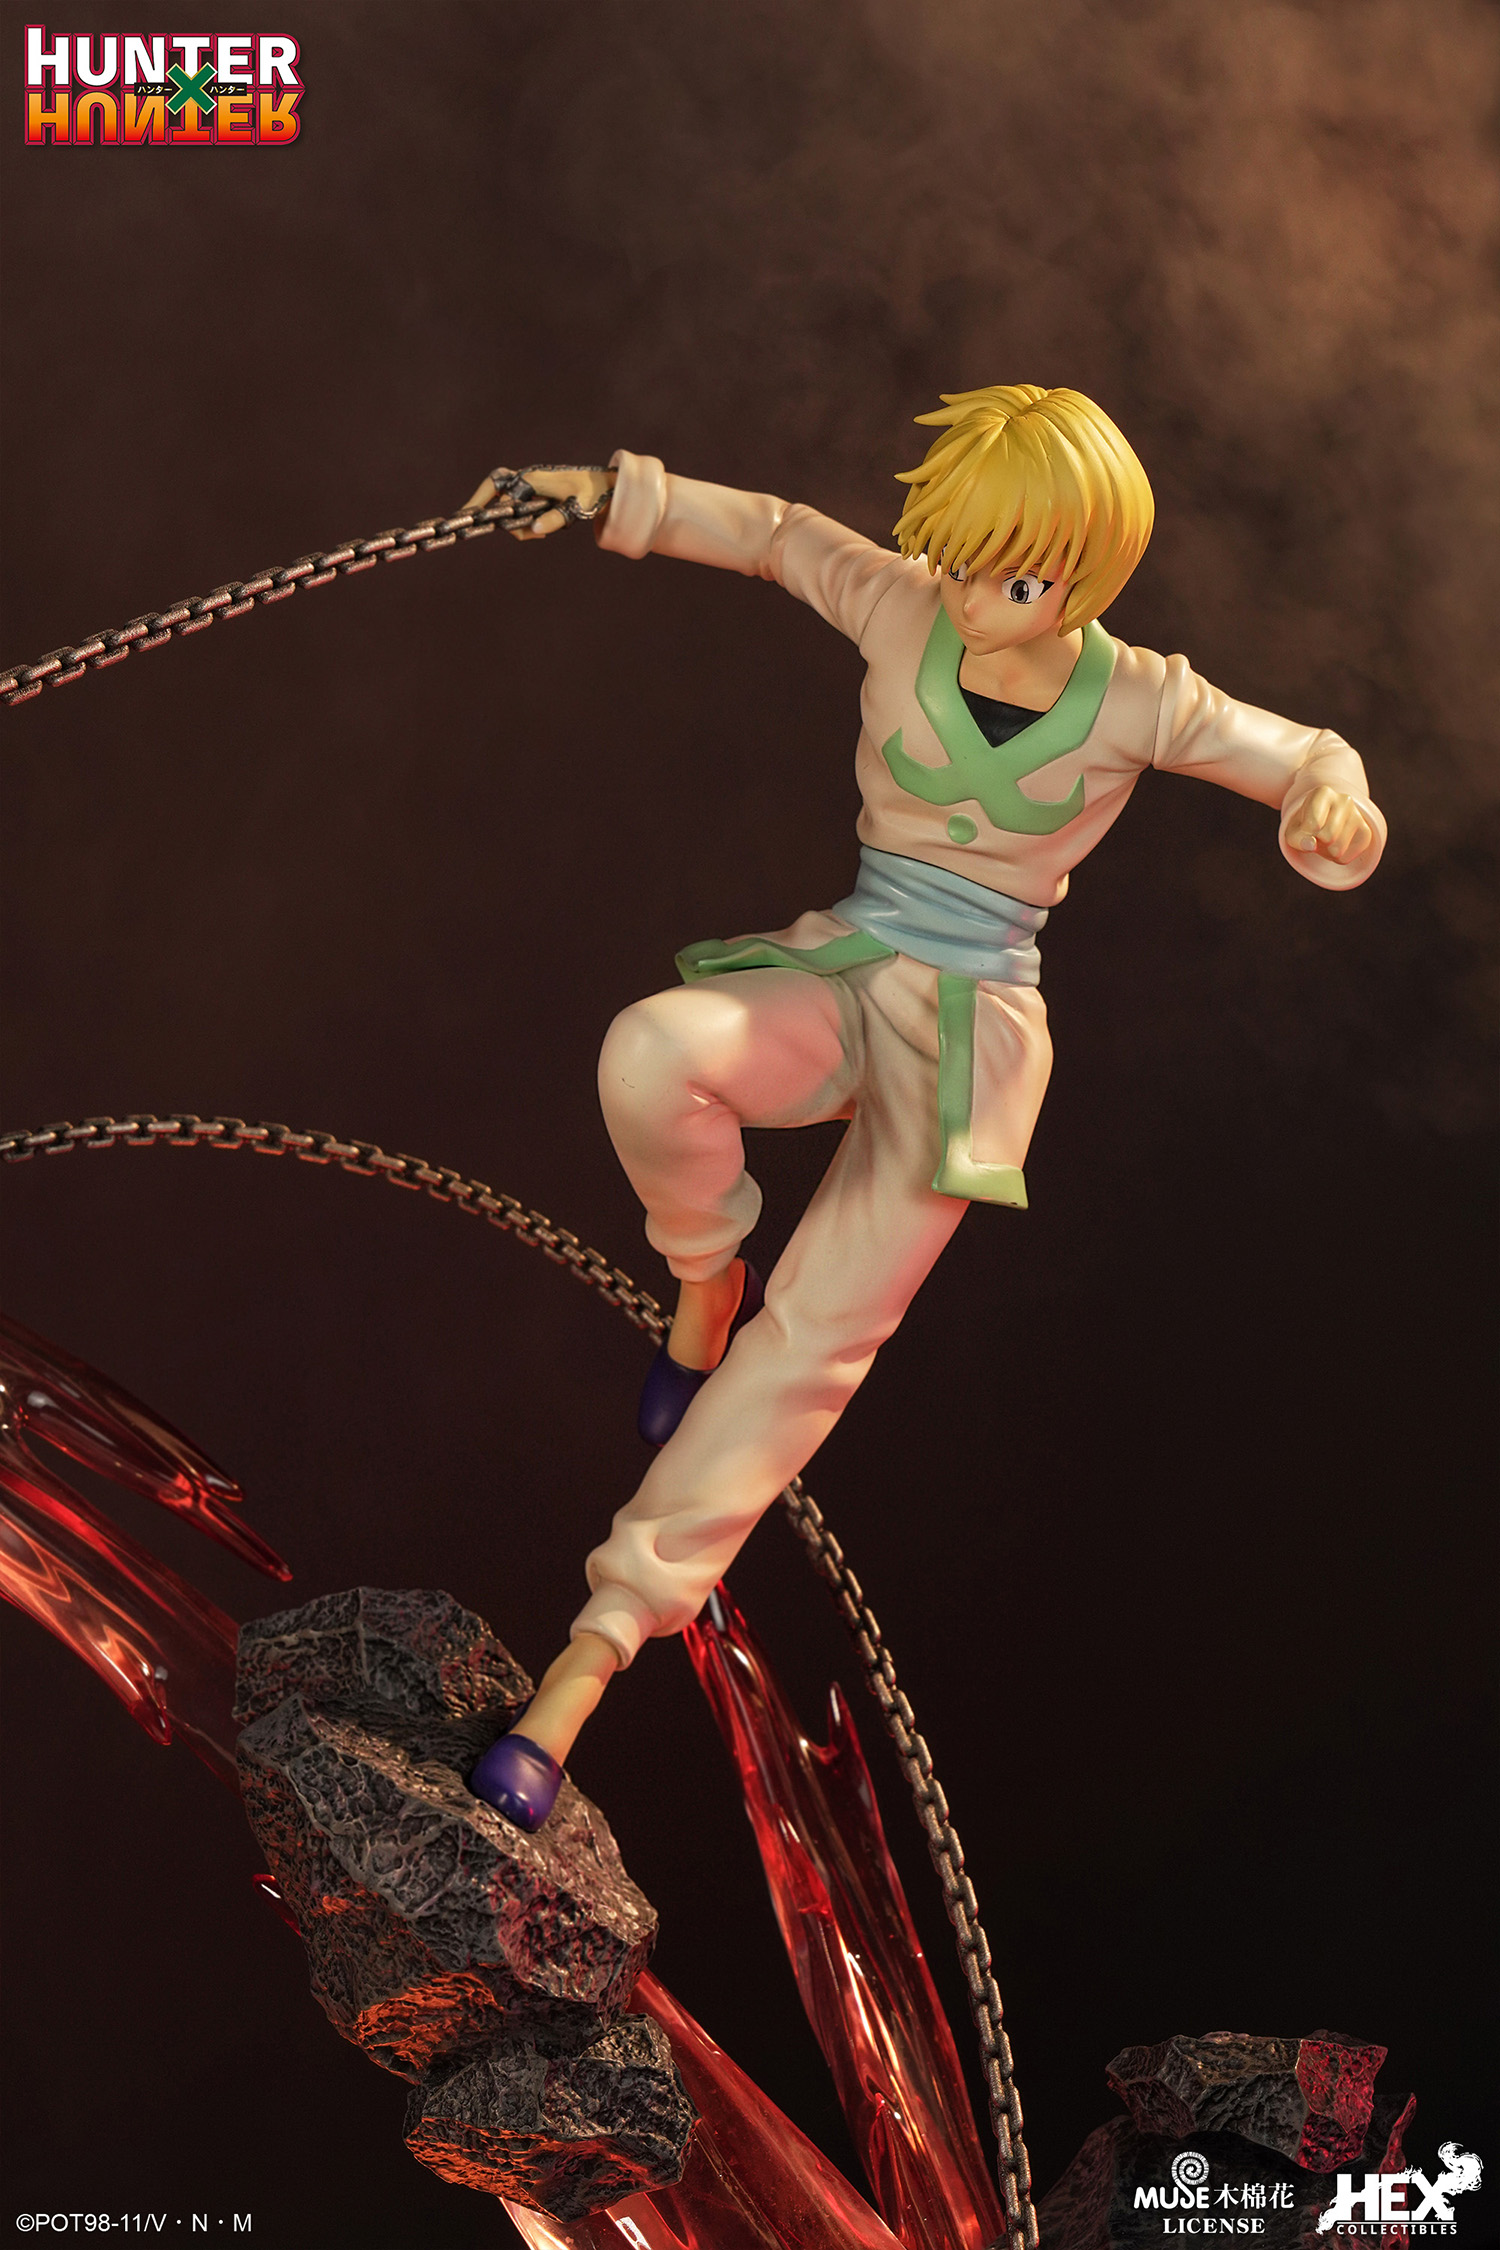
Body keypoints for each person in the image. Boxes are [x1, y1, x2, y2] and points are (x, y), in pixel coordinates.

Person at [466, 384, 1386, 1829]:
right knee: (651, 1056)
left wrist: (1334, 809)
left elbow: (1307, 754)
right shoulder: (903, 605)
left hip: (971, 1038)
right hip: (848, 966)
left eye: (1009, 577)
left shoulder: (1143, 696)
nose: (966, 597)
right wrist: (607, 495)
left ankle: (588, 1661)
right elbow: (778, 536)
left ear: (1080, 578)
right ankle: (704, 1276)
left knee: (820, 1338)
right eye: (957, 560)